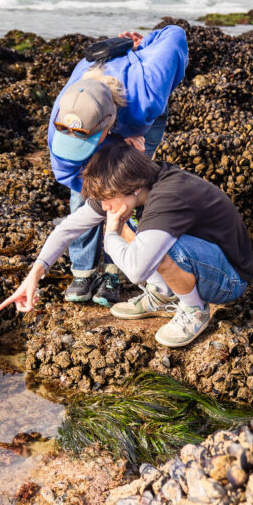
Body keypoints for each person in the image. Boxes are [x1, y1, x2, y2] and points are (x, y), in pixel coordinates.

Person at [0, 143, 253, 348]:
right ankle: (163, 295)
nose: (104, 206)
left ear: (134, 188)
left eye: (107, 199)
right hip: (197, 258)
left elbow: (137, 271)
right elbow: (66, 230)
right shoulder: (123, 188)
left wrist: (110, 233)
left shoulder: (168, 197)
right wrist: (33, 277)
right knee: (127, 224)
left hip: (228, 279)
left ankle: (194, 309)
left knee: (148, 244)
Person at [49, 24, 188, 308]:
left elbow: (175, 33)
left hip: (137, 118)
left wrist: (145, 42)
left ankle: (114, 271)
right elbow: (69, 174)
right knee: (85, 194)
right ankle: (83, 272)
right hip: (96, 111)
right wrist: (98, 199)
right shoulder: (61, 121)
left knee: (127, 192)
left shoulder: (146, 95)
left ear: (107, 127)